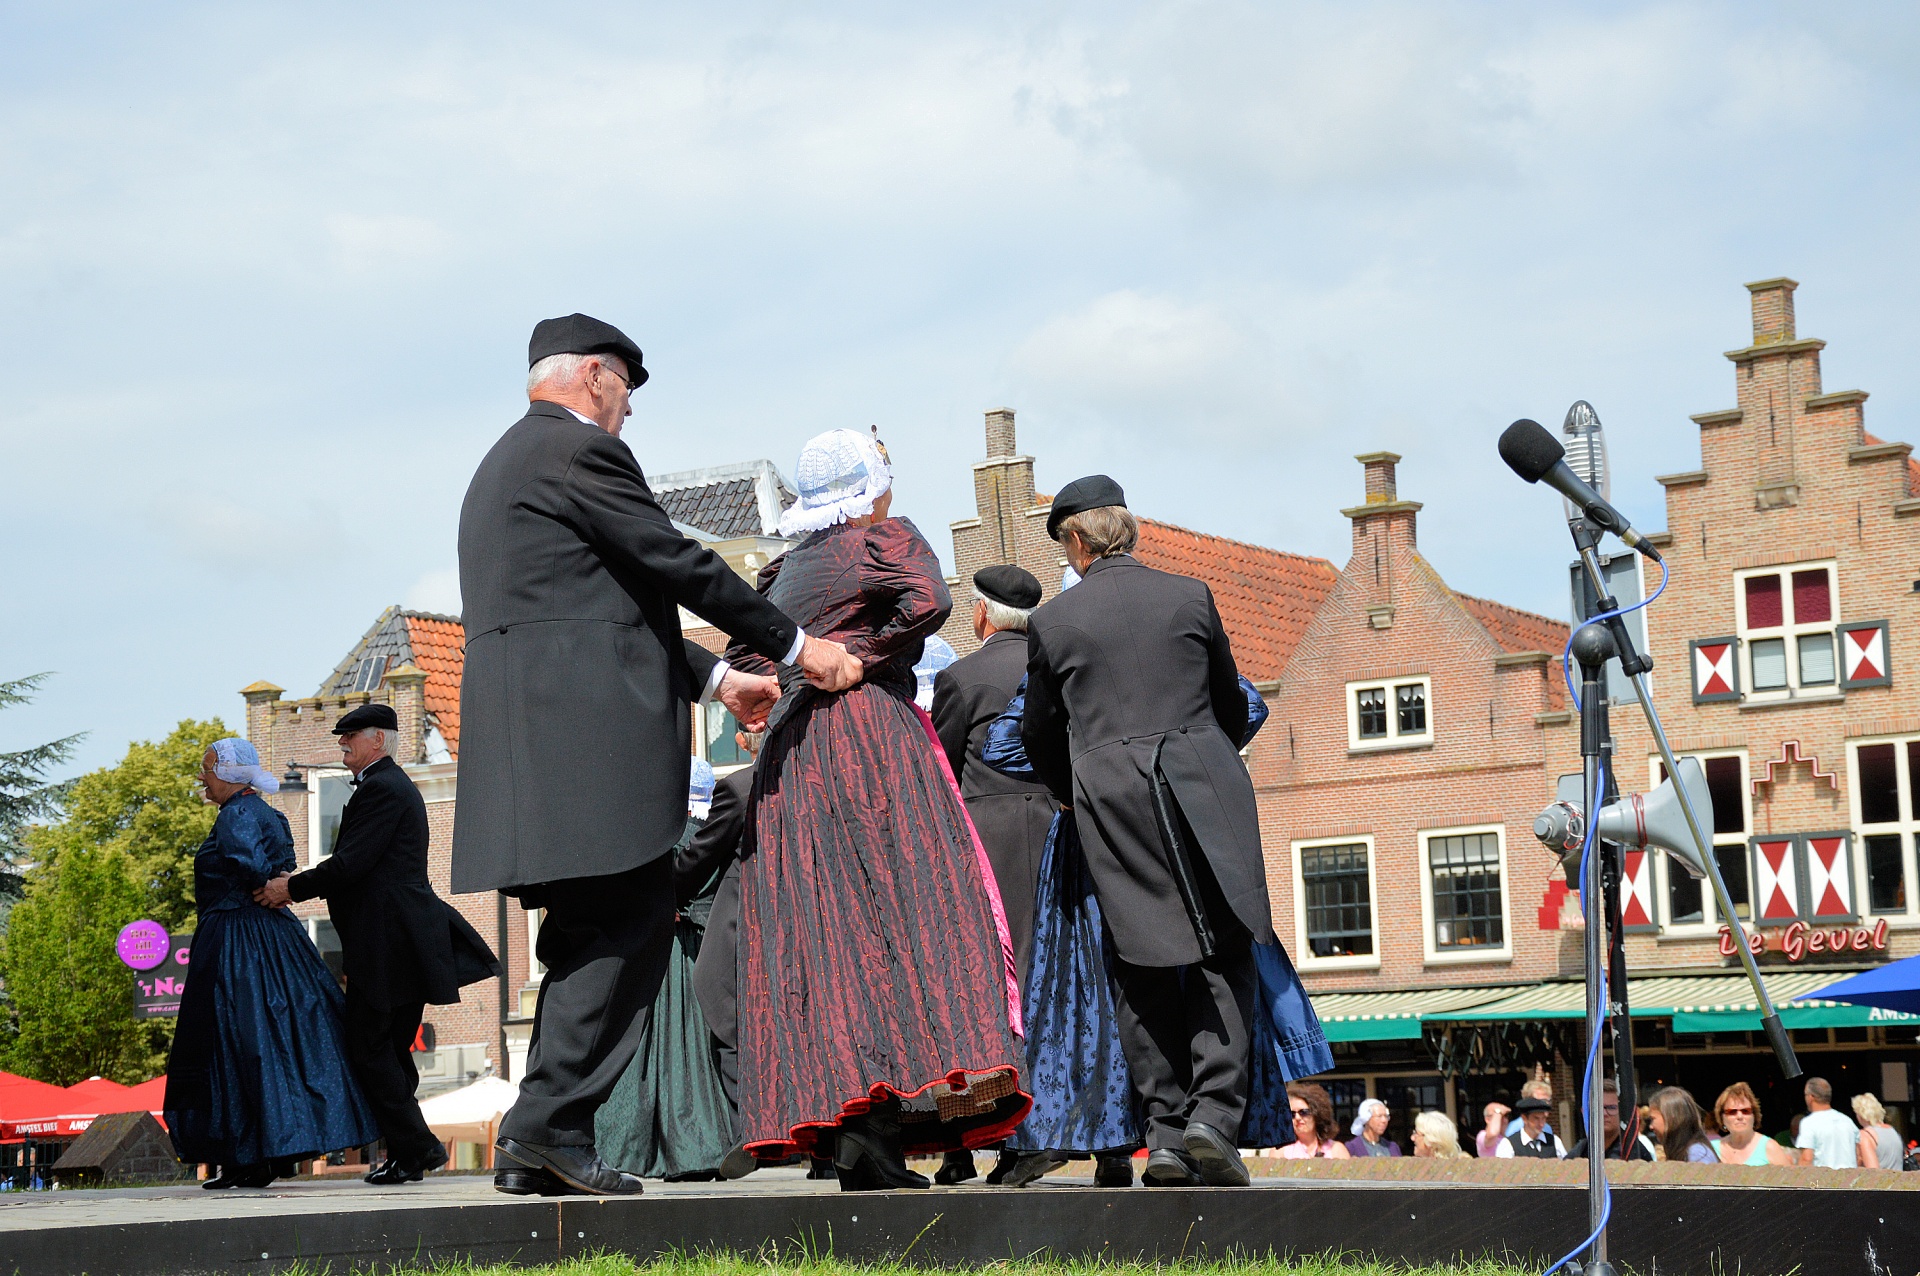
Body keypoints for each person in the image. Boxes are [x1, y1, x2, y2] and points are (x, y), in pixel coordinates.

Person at [454, 314, 862, 1198]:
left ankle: (543, 1136)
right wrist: (796, 649)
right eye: (628, 391)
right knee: (628, 924)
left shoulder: (502, 468)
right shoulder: (581, 454)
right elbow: (673, 562)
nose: (630, 412)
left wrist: (719, 680)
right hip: (589, 750)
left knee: (591, 933)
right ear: (596, 376)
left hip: (538, 750)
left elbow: (601, 601)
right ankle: (545, 1128)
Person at [725, 428, 1031, 1192]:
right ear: (870, 488)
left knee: (824, 939)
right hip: (869, 746)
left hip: (793, 763)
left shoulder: (780, 573)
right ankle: (885, 1125)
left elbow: (744, 661)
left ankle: (857, 1135)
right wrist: (870, 654)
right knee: (909, 919)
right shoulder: (879, 541)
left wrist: (778, 691)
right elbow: (931, 602)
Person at [1022, 476, 1278, 1188]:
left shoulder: (1054, 622)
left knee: (1139, 961)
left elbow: (1038, 730)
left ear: (1076, 541)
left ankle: (1164, 1134)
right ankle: (1212, 1120)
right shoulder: (1190, 595)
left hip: (1110, 793)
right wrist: (1204, 753)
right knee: (1224, 948)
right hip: (1202, 774)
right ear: (1125, 529)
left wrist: (1074, 790)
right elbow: (1231, 702)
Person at [254, 704, 499, 1186]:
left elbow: (350, 864)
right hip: (400, 941)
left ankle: (418, 1148)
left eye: (350, 737)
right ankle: (407, 1155)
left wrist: (290, 888)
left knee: (367, 1046)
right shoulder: (388, 786)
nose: (341, 745)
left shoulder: (383, 789)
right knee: (388, 1048)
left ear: (378, 741)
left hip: (388, 944)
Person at [164, 740, 380, 1188]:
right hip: (273, 937)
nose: (201, 779)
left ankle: (246, 1155)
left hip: (236, 942)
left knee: (233, 1042)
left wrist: (259, 886)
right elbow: (280, 867)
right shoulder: (268, 813)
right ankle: (259, 1153)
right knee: (272, 1042)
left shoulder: (236, 816)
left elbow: (255, 869)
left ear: (230, 774)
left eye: (206, 770)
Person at [929, 564, 1058, 1187]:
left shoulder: (961, 677)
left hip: (991, 843)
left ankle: (990, 1140)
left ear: (981, 615)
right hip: (1064, 832)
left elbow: (943, 774)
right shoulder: (1057, 664)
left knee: (990, 992)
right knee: (1062, 982)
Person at [595, 760, 734, 1180]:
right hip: (703, 950)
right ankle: (701, 1149)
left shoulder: (661, 837)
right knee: (694, 1050)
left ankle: (630, 1150)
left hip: (660, 950)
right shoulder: (720, 832)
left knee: (647, 1050)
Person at [1567, 1080, 1654, 1162]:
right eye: (1597, 1108)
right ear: (1584, 1112)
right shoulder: (1579, 1152)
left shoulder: (1635, 1152)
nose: (1604, 1113)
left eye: (1611, 1108)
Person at [1710, 1082, 1792, 1167]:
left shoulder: (1769, 1147)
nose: (1739, 1116)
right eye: (1732, 1112)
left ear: (1754, 1116)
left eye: (1745, 1111)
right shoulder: (1712, 1149)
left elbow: (1789, 1179)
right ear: (1722, 1117)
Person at [1795, 1076, 1860, 1169]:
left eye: (1805, 1095)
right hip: (1849, 1179)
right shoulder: (1847, 1121)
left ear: (1811, 1097)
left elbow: (1806, 1159)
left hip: (1823, 1180)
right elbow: (1858, 1155)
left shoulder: (1809, 1123)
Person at [1277, 1083, 1350, 1159]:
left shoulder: (1336, 1150)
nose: (1297, 1118)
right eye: (1292, 1114)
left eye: (1303, 1112)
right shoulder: (1281, 1152)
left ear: (1317, 1114)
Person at [1646, 1087, 1716, 1165]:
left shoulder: (1697, 1153)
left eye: (1653, 1119)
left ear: (1670, 1118)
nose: (1651, 1126)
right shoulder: (1682, 1152)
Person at [1495, 1096, 1566, 1159]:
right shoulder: (1508, 1144)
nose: (1541, 1124)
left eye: (1543, 1118)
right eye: (1536, 1119)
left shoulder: (1555, 1141)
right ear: (1524, 1119)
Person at [1851, 1092, 1903, 1170]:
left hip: (1882, 1181)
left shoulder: (1865, 1135)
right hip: (1900, 1180)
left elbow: (1873, 1171)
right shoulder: (1892, 1130)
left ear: (1860, 1114)